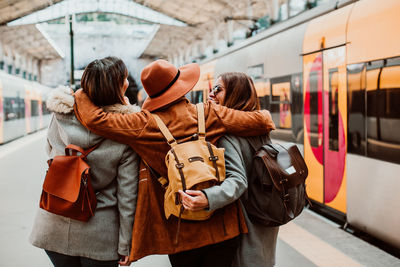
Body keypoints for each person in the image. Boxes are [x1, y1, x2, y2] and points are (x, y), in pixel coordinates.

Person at [72, 59, 275, 267]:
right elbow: (263, 121)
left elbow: (95, 119)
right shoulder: (209, 113)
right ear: (182, 87)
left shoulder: (142, 124)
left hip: (179, 231)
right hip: (221, 225)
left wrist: (80, 93)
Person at [30, 57, 140, 267]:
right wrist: (126, 245)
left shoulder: (60, 115)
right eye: (124, 79)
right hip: (100, 234)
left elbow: (50, 152)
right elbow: (128, 195)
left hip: (54, 223)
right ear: (118, 87)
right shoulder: (126, 130)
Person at [209, 72, 279, 267]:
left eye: (218, 89)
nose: (212, 94)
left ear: (235, 94)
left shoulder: (229, 136)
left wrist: (207, 198)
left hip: (244, 221)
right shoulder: (260, 129)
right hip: (264, 215)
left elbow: (238, 181)